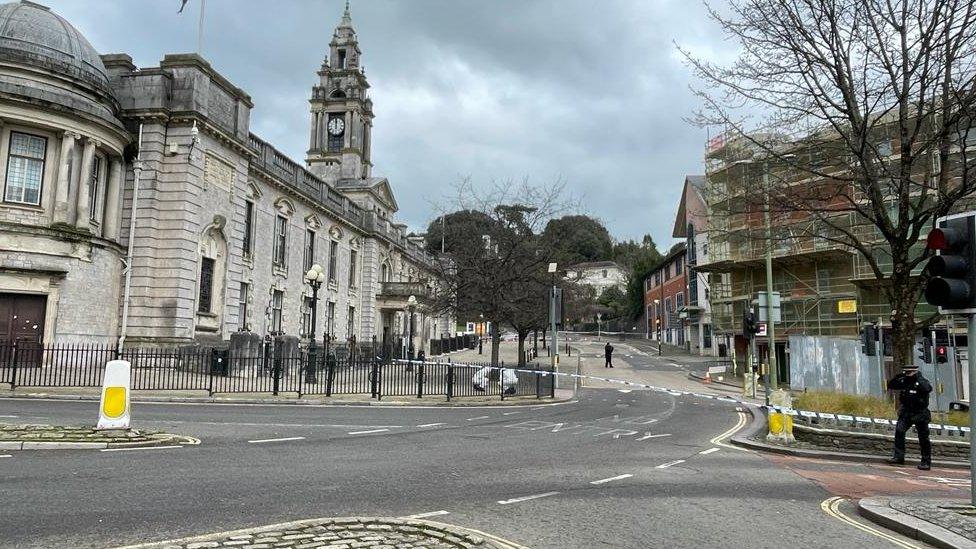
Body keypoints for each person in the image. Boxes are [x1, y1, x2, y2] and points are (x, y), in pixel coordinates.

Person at [886, 364, 933, 470]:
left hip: (920, 413)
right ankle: (899, 457)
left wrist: (917, 377)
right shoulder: (904, 381)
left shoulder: (921, 381)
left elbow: (927, 388)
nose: (907, 375)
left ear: (915, 372)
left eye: (909, 373)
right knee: (899, 431)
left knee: (923, 438)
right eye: (906, 373)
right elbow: (891, 385)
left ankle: (926, 462)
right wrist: (899, 376)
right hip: (907, 412)